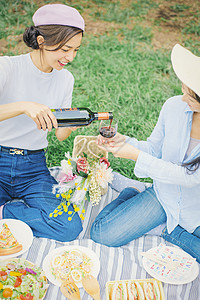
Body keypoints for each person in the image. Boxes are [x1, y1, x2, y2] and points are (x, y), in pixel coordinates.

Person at [90, 44, 200, 263]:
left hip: (195, 208)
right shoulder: (173, 107)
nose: (182, 97)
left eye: (190, 95)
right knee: (102, 234)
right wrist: (124, 142)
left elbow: (190, 178)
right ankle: (131, 193)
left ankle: (170, 231)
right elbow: (153, 149)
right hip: (164, 195)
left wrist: (135, 156)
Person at [0, 4, 85, 241]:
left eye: (76, 50)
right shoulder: (7, 67)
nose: (70, 57)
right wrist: (24, 106)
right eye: (65, 49)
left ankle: (5, 212)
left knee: (69, 227)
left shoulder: (65, 79)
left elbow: (60, 135)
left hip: (33, 167)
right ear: (41, 41)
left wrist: (69, 125)